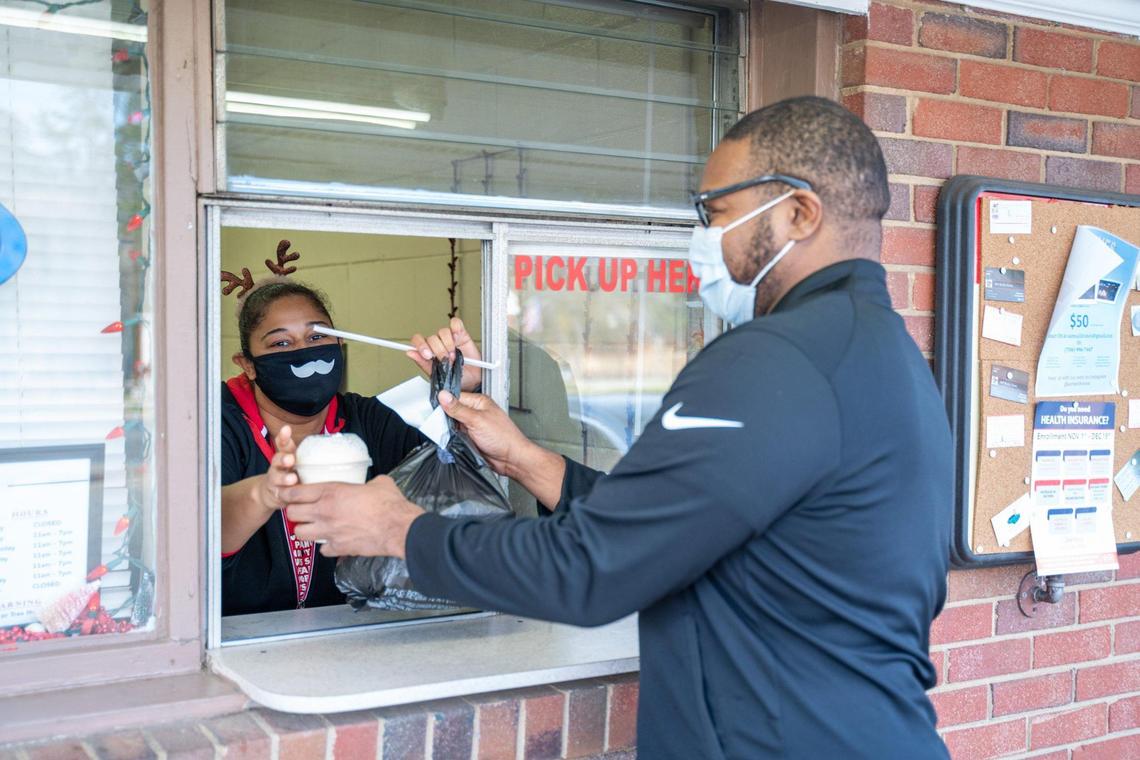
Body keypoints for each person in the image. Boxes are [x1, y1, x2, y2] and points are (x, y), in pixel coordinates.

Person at [282, 96, 953, 758]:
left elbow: (592, 570)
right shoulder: (884, 357)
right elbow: (677, 526)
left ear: (800, 212)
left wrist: (399, 530)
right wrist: (521, 457)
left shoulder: (773, 359)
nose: (702, 239)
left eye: (715, 213)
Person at [219, 276, 481, 615]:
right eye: (281, 344)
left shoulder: (367, 419)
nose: (304, 351)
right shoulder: (218, 424)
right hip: (235, 642)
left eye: (317, 336)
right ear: (248, 365)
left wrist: (463, 392)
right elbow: (206, 532)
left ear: (340, 344)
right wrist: (265, 493)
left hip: (351, 635)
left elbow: (455, 484)